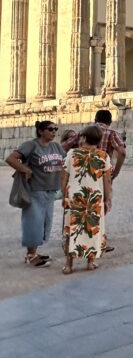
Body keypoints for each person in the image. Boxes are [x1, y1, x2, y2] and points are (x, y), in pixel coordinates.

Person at [63, 109, 126, 253]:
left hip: (80, 175)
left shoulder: (82, 133)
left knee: (80, 206)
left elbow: (64, 146)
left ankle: (76, 240)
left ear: (95, 119)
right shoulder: (111, 133)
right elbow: (122, 152)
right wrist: (115, 172)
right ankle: (96, 241)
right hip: (100, 175)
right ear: (109, 121)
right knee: (99, 207)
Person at [5, 121, 65, 268]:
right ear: (40, 131)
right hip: (35, 190)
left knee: (45, 223)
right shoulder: (31, 145)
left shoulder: (56, 146)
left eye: (55, 129)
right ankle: (31, 255)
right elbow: (10, 158)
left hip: (51, 190)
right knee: (33, 222)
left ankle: (35, 251)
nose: (54, 131)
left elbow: (64, 162)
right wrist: (26, 170)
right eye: (50, 129)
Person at [60, 124, 113, 274]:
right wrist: (108, 199)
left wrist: (63, 194)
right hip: (94, 197)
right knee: (92, 229)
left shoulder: (72, 154)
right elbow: (107, 181)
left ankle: (69, 265)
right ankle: (90, 261)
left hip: (75, 197)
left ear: (83, 137)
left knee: (72, 229)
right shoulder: (104, 156)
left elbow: (64, 176)